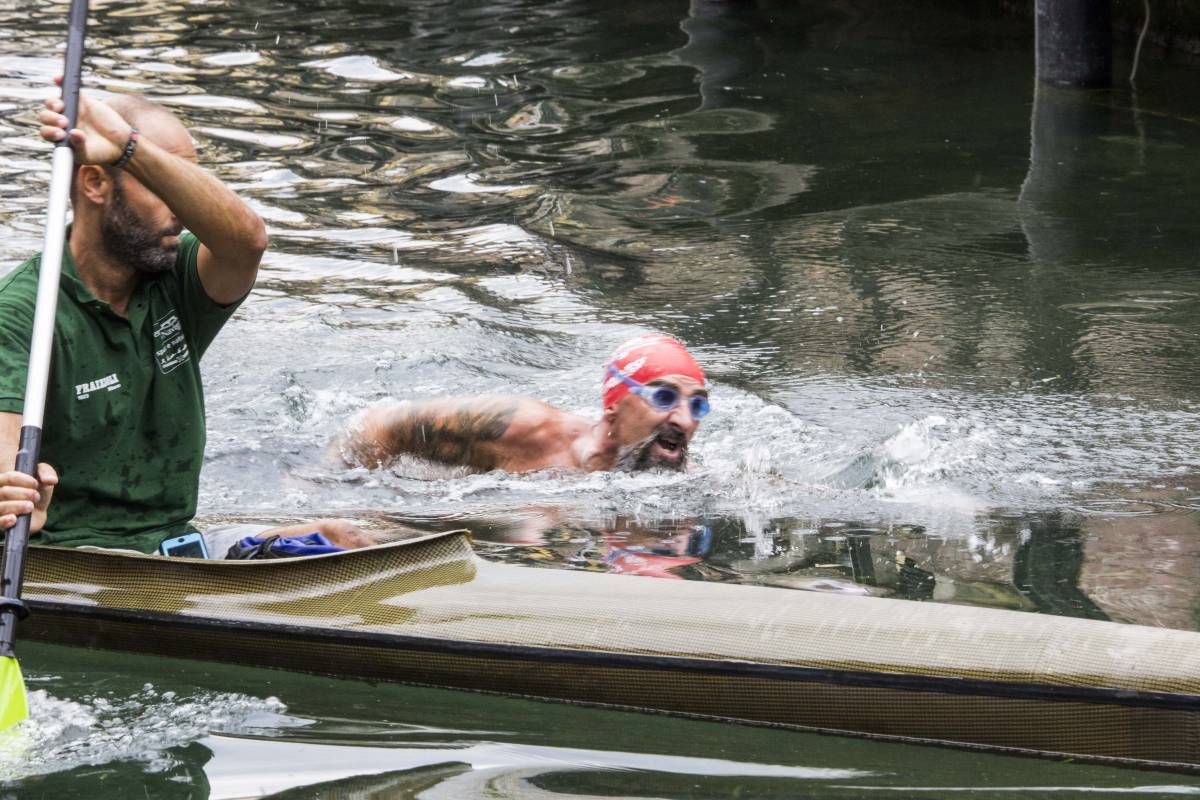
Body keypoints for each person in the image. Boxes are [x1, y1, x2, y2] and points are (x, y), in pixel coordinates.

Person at [0, 87, 368, 555]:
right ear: (94, 183)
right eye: (160, 184)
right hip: (78, 560)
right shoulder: (19, 314)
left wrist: (126, 145)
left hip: (176, 543)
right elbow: (4, 473)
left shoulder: (176, 275)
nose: (183, 208)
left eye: (186, 181)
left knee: (343, 540)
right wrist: (13, 504)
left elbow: (246, 241)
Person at [337, 333, 710, 474]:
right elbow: (378, 425)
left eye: (698, 405)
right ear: (615, 404)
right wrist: (338, 492)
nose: (684, 418)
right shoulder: (521, 426)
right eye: (663, 397)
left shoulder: (681, 476)